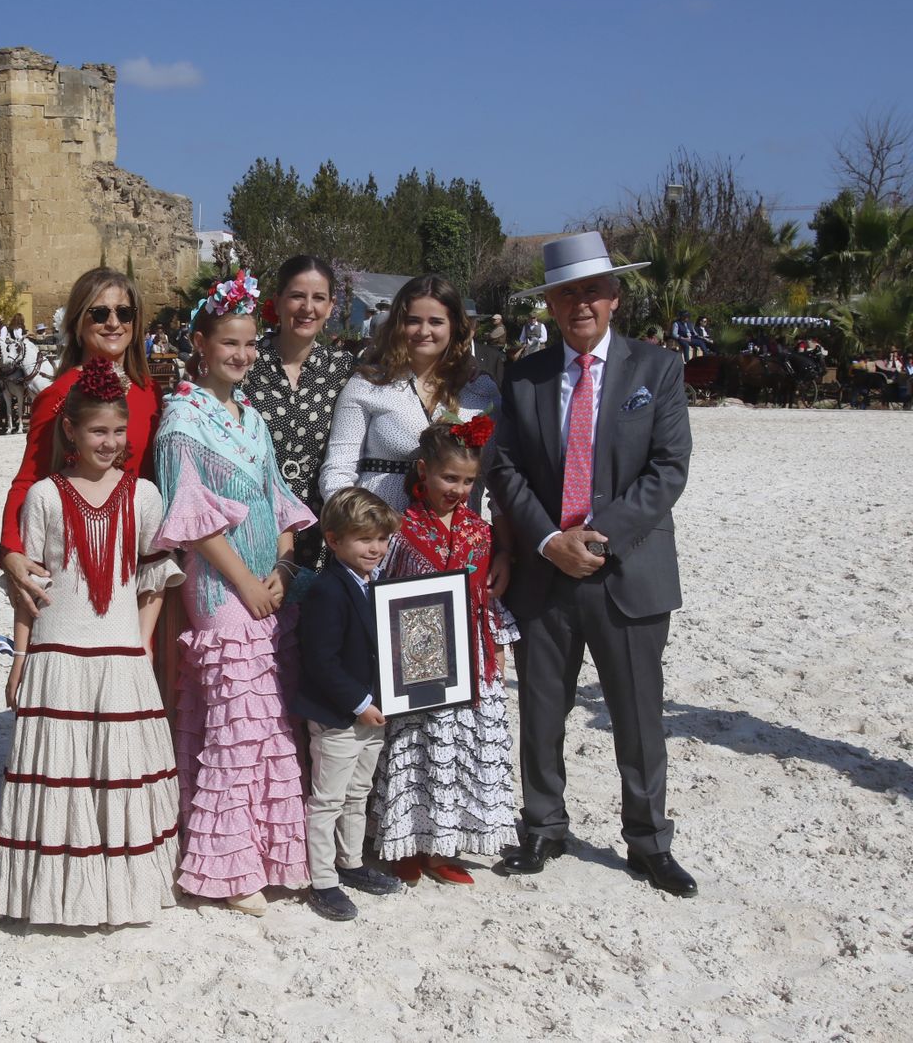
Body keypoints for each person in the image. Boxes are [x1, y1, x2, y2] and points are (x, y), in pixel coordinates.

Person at [489, 231, 698, 897]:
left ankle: (647, 840)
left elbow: (668, 470)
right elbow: (505, 468)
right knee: (542, 713)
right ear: (550, 303)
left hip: (628, 571)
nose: (581, 303)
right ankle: (544, 826)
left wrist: (598, 536)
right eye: (566, 292)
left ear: (615, 296)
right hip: (544, 572)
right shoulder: (522, 377)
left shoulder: (657, 371)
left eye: (592, 291)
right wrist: (551, 540)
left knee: (638, 716)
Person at [0, 358, 183, 926]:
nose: (110, 442)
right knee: (62, 779)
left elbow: (153, 581)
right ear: (70, 430)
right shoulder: (45, 496)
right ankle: (55, 896)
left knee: (115, 775)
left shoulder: (143, 495)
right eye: (98, 431)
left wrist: (141, 647)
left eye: (119, 432)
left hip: (119, 656)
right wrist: (19, 657)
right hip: (58, 655)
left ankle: (120, 892)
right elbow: (33, 588)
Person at [154, 270, 314, 916]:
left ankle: (264, 854)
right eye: (229, 344)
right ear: (201, 343)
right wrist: (246, 581)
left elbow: (277, 498)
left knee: (267, 721)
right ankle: (224, 869)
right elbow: (190, 515)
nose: (242, 355)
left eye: (250, 344)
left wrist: (281, 566)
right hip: (219, 588)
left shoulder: (252, 419)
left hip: (263, 583)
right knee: (231, 722)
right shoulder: (181, 419)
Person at [372, 418, 519, 885]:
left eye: (468, 481)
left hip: (470, 658)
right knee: (415, 745)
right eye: (449, 478)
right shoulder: (400, 528)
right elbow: (382, 592)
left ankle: (444, 845)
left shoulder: (480, 532)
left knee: (459, 750)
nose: (458, 488)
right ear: (423, 471)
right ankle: (407, 842)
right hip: (415, 660)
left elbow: (486, 596)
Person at [0, 268, 160, 617]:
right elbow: (29, 479)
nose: (113, 323)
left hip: (140, 559)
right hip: (80, 559)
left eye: (124, 312)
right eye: (99, 313)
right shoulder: (58, 395)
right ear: (77, 322)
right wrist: (11, 548)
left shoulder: (150, 392)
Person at [294, 486, 406, 921]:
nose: (375, 548)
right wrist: (360, 703)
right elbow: (321, 660)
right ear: (333, 539)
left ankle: (351, 862)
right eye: (364, 539)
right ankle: (322, 880)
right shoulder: (328, 590)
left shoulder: (377, 584)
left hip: (373, 714)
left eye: (381, 539)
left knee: (358, 792)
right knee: (328, 798)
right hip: (339, 716)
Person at [321, 275, 503, 525]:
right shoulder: (368, 384)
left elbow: (495, 476)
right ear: (398, 325)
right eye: (413, 321)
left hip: (454, 540)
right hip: (378, 535)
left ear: (454, 327)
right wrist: (358, 530)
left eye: (436, 322)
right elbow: (338, 470)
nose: (424, 331)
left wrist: (501, 548)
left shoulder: (479, 390)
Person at [243, 255, 355, 569]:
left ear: (331, 306)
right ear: (277, 302)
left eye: (318, 298)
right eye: (297, 296)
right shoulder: (245, 363)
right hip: (257, 527)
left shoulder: (344, 370)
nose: (308, 308)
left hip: (323, 532)